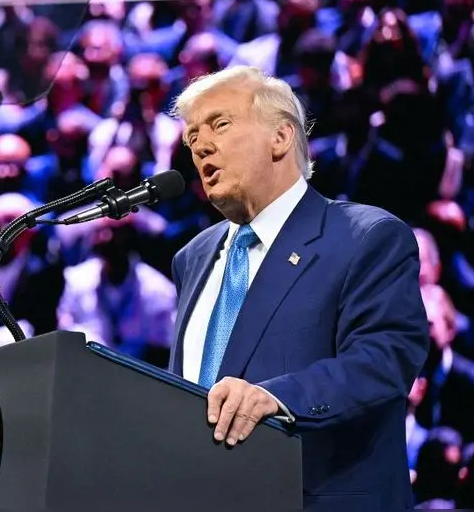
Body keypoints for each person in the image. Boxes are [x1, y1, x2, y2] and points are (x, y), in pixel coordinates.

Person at [167, 65, 429, 510]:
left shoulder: (364, 235)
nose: (202, 146)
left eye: (220, 125)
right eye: (192, 138)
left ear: (281, 137)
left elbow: (386, 358)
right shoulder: (193, 256)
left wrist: (277, 398)